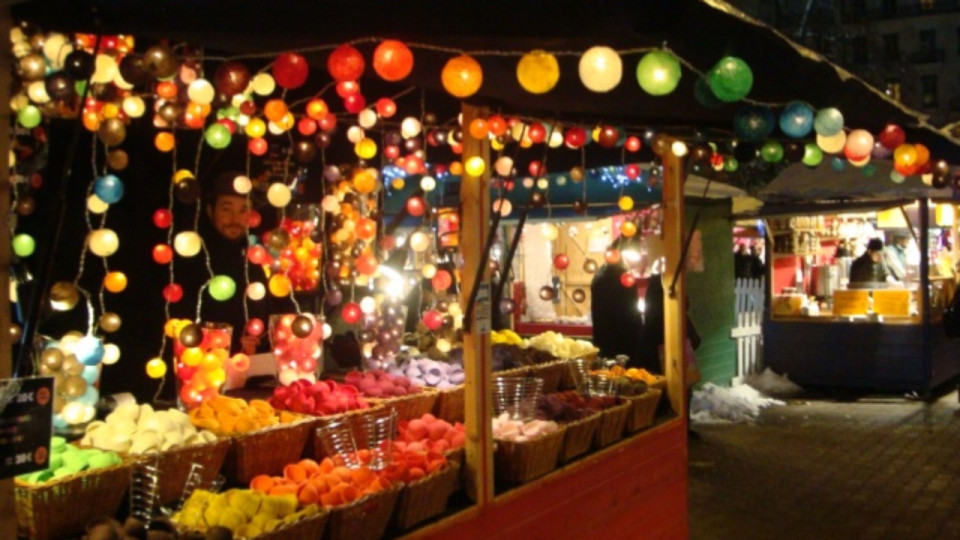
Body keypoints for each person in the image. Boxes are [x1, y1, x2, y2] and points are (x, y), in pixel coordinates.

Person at [176, 170, 294, 355]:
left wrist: (257, 342)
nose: (235, 219)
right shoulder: (194, 259)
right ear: (210, 211)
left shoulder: (252, 260)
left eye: (243, 210)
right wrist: (231, 344)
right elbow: (185, 324)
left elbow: (267, 318)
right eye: (226, 209)